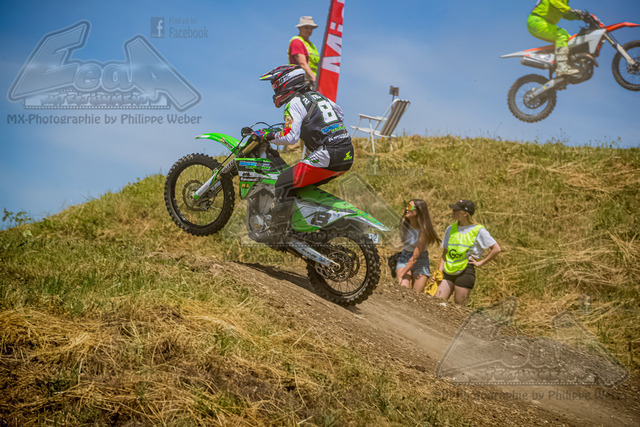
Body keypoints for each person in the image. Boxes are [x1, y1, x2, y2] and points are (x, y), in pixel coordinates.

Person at [257, 65, 353, 231]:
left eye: (275, 86)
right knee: (299, 187)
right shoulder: (319, 97)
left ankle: (279, 231)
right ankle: (304, 228)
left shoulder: (294, 102)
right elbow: (340, 114)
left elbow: (290, 137)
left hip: (328, 154)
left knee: (282, 183)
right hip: (347, 154)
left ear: (285, 83)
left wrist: (266, 135)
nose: (275, 91)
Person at [435, 200, 501, 306]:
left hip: (466, 271)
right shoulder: (450, 229)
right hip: (448, 269)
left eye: (456, 209)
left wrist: (480, 263)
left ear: (465, 213)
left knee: (459, 307)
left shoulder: (479, 230)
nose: (452, 211)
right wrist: (439, 271)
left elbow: (496, 249)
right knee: (437, 302)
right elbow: (445, 253)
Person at [527, 0, 584, 76]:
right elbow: (554, 2)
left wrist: (580, 16)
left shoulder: (564, 1)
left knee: (572, 40)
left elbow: (565, 14)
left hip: (544, 23)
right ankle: (562, 68)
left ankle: (571, 65)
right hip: (537, 21)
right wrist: (570, 10)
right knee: (561, 34)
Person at [396, 199, 441, 293]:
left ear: (419, 210)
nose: (406, 209)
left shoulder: (423, 232)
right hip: (405, 257)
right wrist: (402, 274)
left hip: (420, 260)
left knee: (416, 294)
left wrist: (401, 274)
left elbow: (415, 257)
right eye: (406, 206)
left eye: (410, 207)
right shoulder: (404, 223)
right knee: (403, 289)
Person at [288, 16, 319, 83]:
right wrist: (314, 79)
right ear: (300, 28)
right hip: (302, 81)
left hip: (312, 80)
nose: (309, 30)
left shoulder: (311, 45)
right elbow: (302, 64)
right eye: (306, 28)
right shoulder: (296, 41)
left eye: (311, 28)